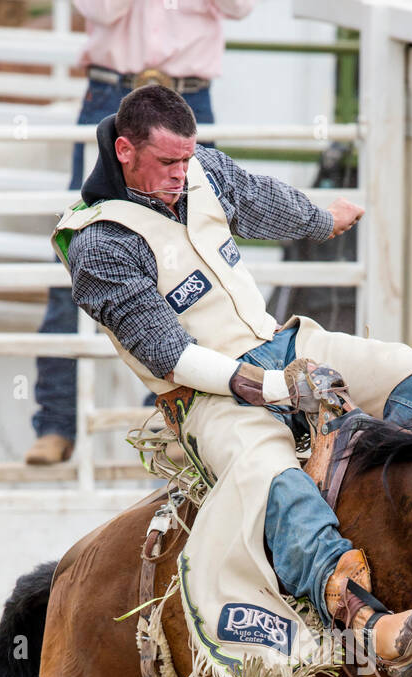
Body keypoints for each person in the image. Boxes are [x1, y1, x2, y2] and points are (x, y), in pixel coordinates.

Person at [52, 86, 412, 677]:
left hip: (285, 344)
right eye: (168, 163)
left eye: (188, 160)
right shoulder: (99, 245)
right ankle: (365, 620)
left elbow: (259, 199)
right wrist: (276, 388)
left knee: (410, 369)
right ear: (125, 150)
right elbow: (171, 354)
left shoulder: (199, 170)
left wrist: (322, 218)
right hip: (207, 399)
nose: (182, 175)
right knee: (272, 479)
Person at [27, 0, 257, 468]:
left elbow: (239, 7)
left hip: (184, 101)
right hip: (114, 95)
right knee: (85, 247)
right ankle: (56, 420)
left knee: (194, 259)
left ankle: (171, 418)